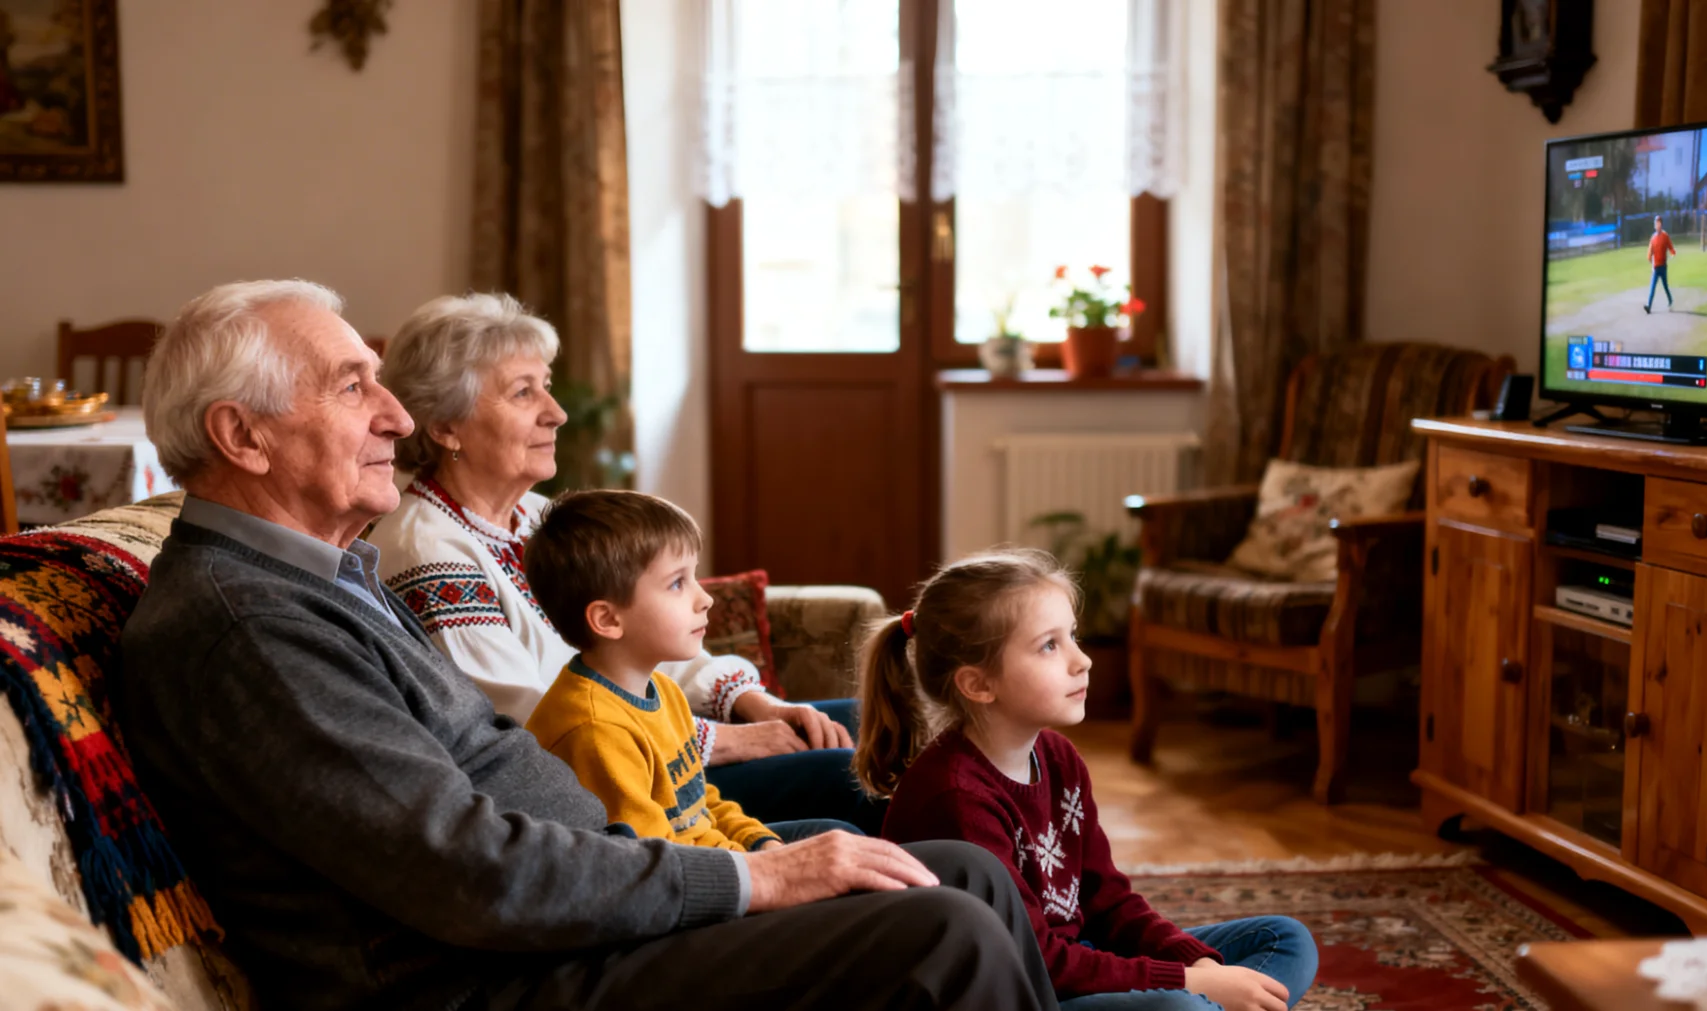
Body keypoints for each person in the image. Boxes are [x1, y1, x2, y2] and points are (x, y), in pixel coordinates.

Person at [116, 280, 1059, 1011]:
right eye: (352, 385)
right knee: (942, 929)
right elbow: (470, 872)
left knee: (956, 867)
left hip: (576, 906)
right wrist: (751, 874)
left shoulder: (323, 575)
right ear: (240, 435)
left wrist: (706, 835)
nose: (395, 416)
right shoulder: (249, 627)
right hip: (487, 981)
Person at [365, 293, 880, 832]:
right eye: (523, 393)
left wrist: (754, 704)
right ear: (446, 425)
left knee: (873, 722)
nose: (556, 412)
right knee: (857, 772)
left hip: (661, 749)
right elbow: (527, 719)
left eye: (547, 385)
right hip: (614, 784)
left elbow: (647, 633)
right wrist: (729, 741)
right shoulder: (426, 550)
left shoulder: (540, 518)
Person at [858, 548, 1318, 1011]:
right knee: (1181, 1007)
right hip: (1028, 989)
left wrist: (1199, 967)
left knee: (1286, 939)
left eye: (1072, 635)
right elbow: (1038, 963)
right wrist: (1186, 986)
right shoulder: (955, 797)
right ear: (978, 684)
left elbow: (1109, 901)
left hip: (1080, 961)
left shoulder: (1059, 758)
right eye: (1049, 646)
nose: (1083, 661)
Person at [522, 488, 858, 848]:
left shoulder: (662, 692)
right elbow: (660, 865)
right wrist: (770, 868)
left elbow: (700, 804)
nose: (705, 598)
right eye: (677, 583)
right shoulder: (594, 731)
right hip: (687, 885)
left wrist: (760, 843)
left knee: (843, 836)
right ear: (607, 618)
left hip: (711, 859)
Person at [1646, 214, 1677, 313]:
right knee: (1653, 286)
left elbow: (1671, 247)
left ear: (1661, 224)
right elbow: (1650, 252)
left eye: (1659, 223)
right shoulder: (1653, 238)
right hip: (1656, 267)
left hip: (1663, 266)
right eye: (1656, 223)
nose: (1657, 225)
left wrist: (1672, 253)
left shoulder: (1665, 236)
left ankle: (1670, 300)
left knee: (1665, 286)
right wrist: (1650, 259)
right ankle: (1649, 306)